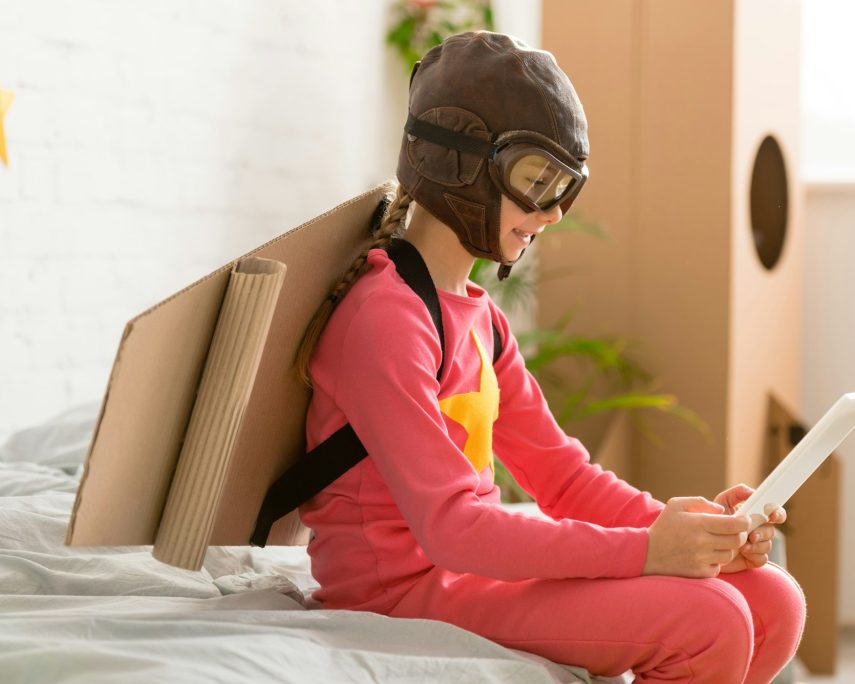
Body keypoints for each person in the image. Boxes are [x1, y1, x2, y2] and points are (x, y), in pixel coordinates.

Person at [293, 31, 806, 684]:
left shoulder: (480, 316)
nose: (556, 212)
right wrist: (649, 552)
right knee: (713, 621)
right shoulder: (385, 319)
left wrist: (696, 533)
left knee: (772, 600)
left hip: (462, 574)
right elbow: (452, 528)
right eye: (537, 181)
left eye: (566, 187)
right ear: (460, 166)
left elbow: (564, 481)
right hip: (395, 596)